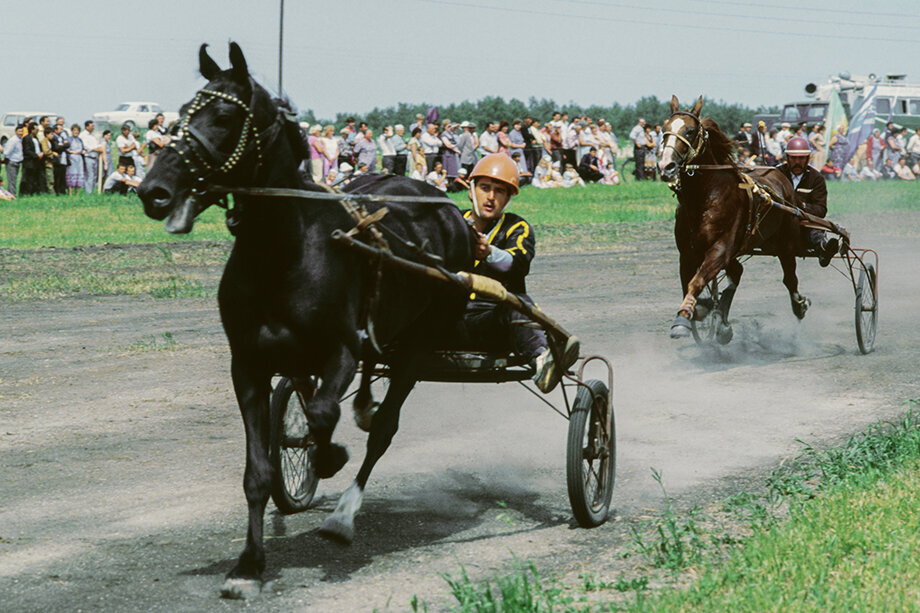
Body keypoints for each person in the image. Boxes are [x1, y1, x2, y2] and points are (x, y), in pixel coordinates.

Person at [453, 153, 579, 393]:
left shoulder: (517, 227)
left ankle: (542, 360)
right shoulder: (452, 220)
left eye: (499, 191)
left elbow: (516, 263)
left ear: (509, 197)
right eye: (484, 188)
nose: (490, 197)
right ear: (471, 191)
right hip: (446, 321)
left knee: (516, 303)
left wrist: (487, 252)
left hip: (492, 326)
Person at [776, 136, 837, 267]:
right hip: (778, 227)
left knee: (815, 231)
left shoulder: (816, 178)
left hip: (804, 227)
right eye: (793, 158)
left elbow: (821, 210)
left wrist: (802, 206)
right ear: (787, 158)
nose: (797, 162)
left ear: (808, 158)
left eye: (801, 158)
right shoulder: (776, 174)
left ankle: (824, 249)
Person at [19, 122, 44, 196]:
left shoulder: (36, 139)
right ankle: (26, 192)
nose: (37, 131)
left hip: (36, 162)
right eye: (36, 129)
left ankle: (34, 191)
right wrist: (36, 155)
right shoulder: (26, 138)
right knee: (28, 178)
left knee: (35, 178)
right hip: (29, 162)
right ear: (31, 129)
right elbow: (27, 150)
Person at [79, 120, 104, 194]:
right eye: (91, 126)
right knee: (89, 175)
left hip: (95, 157)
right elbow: (86, 146)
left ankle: (92, 191)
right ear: (87, 126)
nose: (93, 127)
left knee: (94, 176)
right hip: (88, 157)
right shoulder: (83, 135)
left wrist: (100, 148)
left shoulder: (93, 135)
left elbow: (97, 144)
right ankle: (88, 192)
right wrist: (96, 149)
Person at [3, 125, 24, 196]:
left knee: (14, 179)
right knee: (12, 180)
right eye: (19, 131)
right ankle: (12, 195)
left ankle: (12, 194)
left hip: (17, 162)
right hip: (11, 162)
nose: (21, 133)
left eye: (22, 131)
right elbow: (7, 152)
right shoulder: (13, 140)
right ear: (16, 132)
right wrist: (6, 159)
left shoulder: (19, 140)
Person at [65, 124, 85, 195]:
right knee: (71, 174)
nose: (76, 132)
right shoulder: (68, 139)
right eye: (74, 130)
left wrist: (83, 151)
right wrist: (72, 152)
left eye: (77, 130)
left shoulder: (80, 140)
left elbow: (82, 148)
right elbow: (66, 148)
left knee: (79, 174)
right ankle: (70, 192)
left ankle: (77, 193)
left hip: (79, 159)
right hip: (72, 157)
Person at [50, 123, 69, 195]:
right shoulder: (54, 138)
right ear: (55, 130)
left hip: (63, 159)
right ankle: (57, 191)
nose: (62, 130)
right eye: (60, 129)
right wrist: (63, 145)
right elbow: (56, 147)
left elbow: (68, 144)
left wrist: (63, 145)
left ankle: (62, 190)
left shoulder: (62, 137)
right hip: (57, 160)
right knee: (57, 176)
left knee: (62, 176)